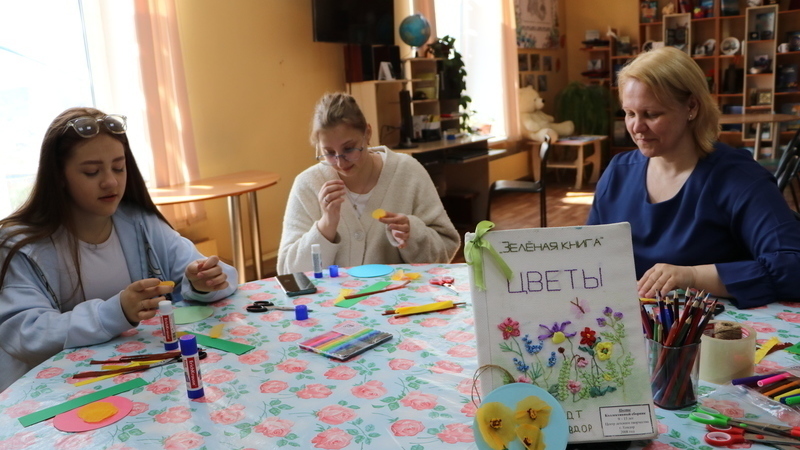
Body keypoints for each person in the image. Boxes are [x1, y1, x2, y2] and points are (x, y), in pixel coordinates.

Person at [0, 107, 238, 391]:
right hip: (57, 392)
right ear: (59, 176)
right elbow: (25, 334)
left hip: (137, 381)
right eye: (91, 172)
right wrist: (116, 311)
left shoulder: (140, 223)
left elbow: (219, 275)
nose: (110, 182)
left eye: (118, 167)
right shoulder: (22, 245)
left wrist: (203, 282)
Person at [587, 46, 800, 309]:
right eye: (630, 113)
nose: (636, 127)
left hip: (712, 329)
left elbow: (792, 265)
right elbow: (590, 255)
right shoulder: (618, 171)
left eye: (652, 114)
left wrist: (692, 276)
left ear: (691, 107)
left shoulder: (739, 178)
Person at [278, 92, 460, 273]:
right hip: (330, 294)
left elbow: (445, 249)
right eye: (329, 153)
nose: (340, 163)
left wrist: (414, 234)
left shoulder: (408, 172)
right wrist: (326, 226)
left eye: (349, 148)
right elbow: (288, 272)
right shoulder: (308, 184)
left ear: (367, 133)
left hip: (401, 292)